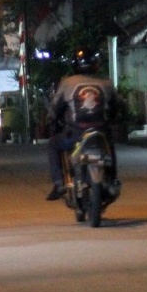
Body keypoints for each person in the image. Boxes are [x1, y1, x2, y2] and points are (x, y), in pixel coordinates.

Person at [45, 47, 121, 201]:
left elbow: (55, 107)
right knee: (109, 147)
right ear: (96, 64)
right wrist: (115, 119)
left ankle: (59, 183)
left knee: (53, 144)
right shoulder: (106, 83)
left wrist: (51, 120)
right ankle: (112, 180)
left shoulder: (67, 83)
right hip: (101, 131)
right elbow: (119, 105)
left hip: (75, 133)